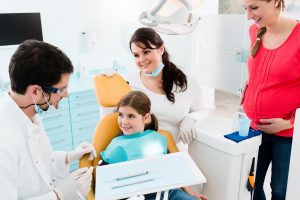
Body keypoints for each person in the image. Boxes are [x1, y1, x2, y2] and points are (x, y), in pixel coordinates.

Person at [0, 40, 96, 199]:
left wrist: (69, 156)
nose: (65, 95)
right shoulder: (4, 138)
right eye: (61, 89)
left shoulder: (29, 112)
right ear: (36, 91)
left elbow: (36, 163)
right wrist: (60, 195)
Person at [100, 91, 208, 200]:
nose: (124, 122)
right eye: (121, 115)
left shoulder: (160, 138)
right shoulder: (117, 147)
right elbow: (104, 183)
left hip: (169, 192)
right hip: (140, 196)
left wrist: (191, 193)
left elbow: (176, 168)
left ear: (146, 118)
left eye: (131, 116)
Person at [242, 0, 300, 199]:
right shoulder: (255, 31)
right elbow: (262, 67)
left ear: (276, 1)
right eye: (246, 8)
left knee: (279, 190)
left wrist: (290, 122)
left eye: (254, 7)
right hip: (253, 128)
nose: (249, 15)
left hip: (286, 135)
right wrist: (250, 83)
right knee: (251, 185)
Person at [126, 27, 211, 146]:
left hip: (175, 151)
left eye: (146, 52)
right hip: (140, 150)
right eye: (136, 55)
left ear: (161, 49)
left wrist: (191, 118)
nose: (141, 60)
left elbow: (203, 110)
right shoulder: (129, 83)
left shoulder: (186, 82)